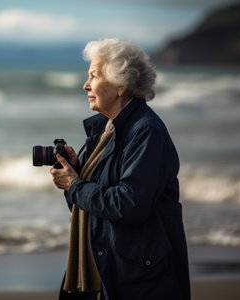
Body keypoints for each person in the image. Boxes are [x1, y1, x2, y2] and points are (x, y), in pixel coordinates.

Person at [50, 38, 190, 300]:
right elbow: (88, 207)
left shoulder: (146, 131)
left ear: (121, 84)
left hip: (139, 278)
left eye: (93, 76)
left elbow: (129, 204)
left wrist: (75, 185)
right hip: (107, 266)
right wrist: (77, 173)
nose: (85, 85)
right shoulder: (105, 130)